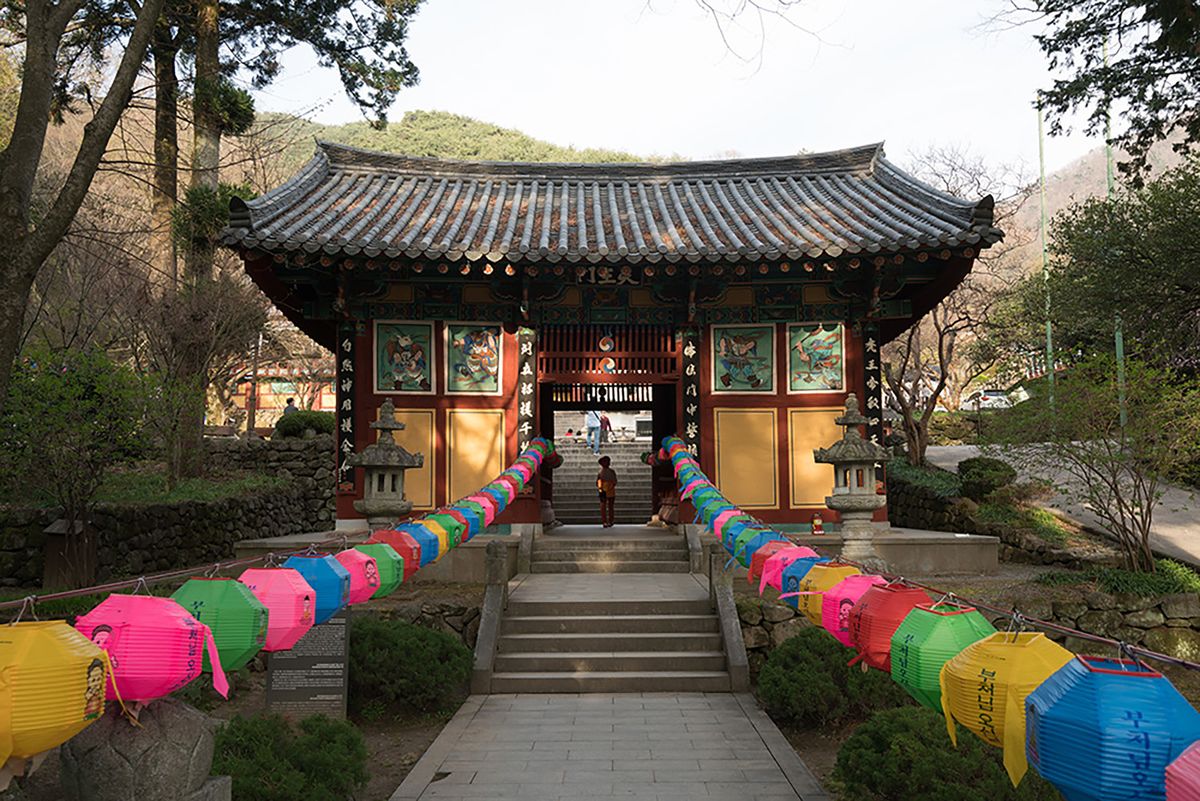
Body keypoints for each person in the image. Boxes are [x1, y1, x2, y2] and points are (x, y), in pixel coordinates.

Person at [596, 456, 617, 528]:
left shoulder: (609, 472)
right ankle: (605, 521)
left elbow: (614, 481)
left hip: (609, 489)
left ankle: (610, 520)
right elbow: (598, 482)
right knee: (604, 506)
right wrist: (600, 489)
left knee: (609, 506)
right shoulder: (601, 472)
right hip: (604, 490)